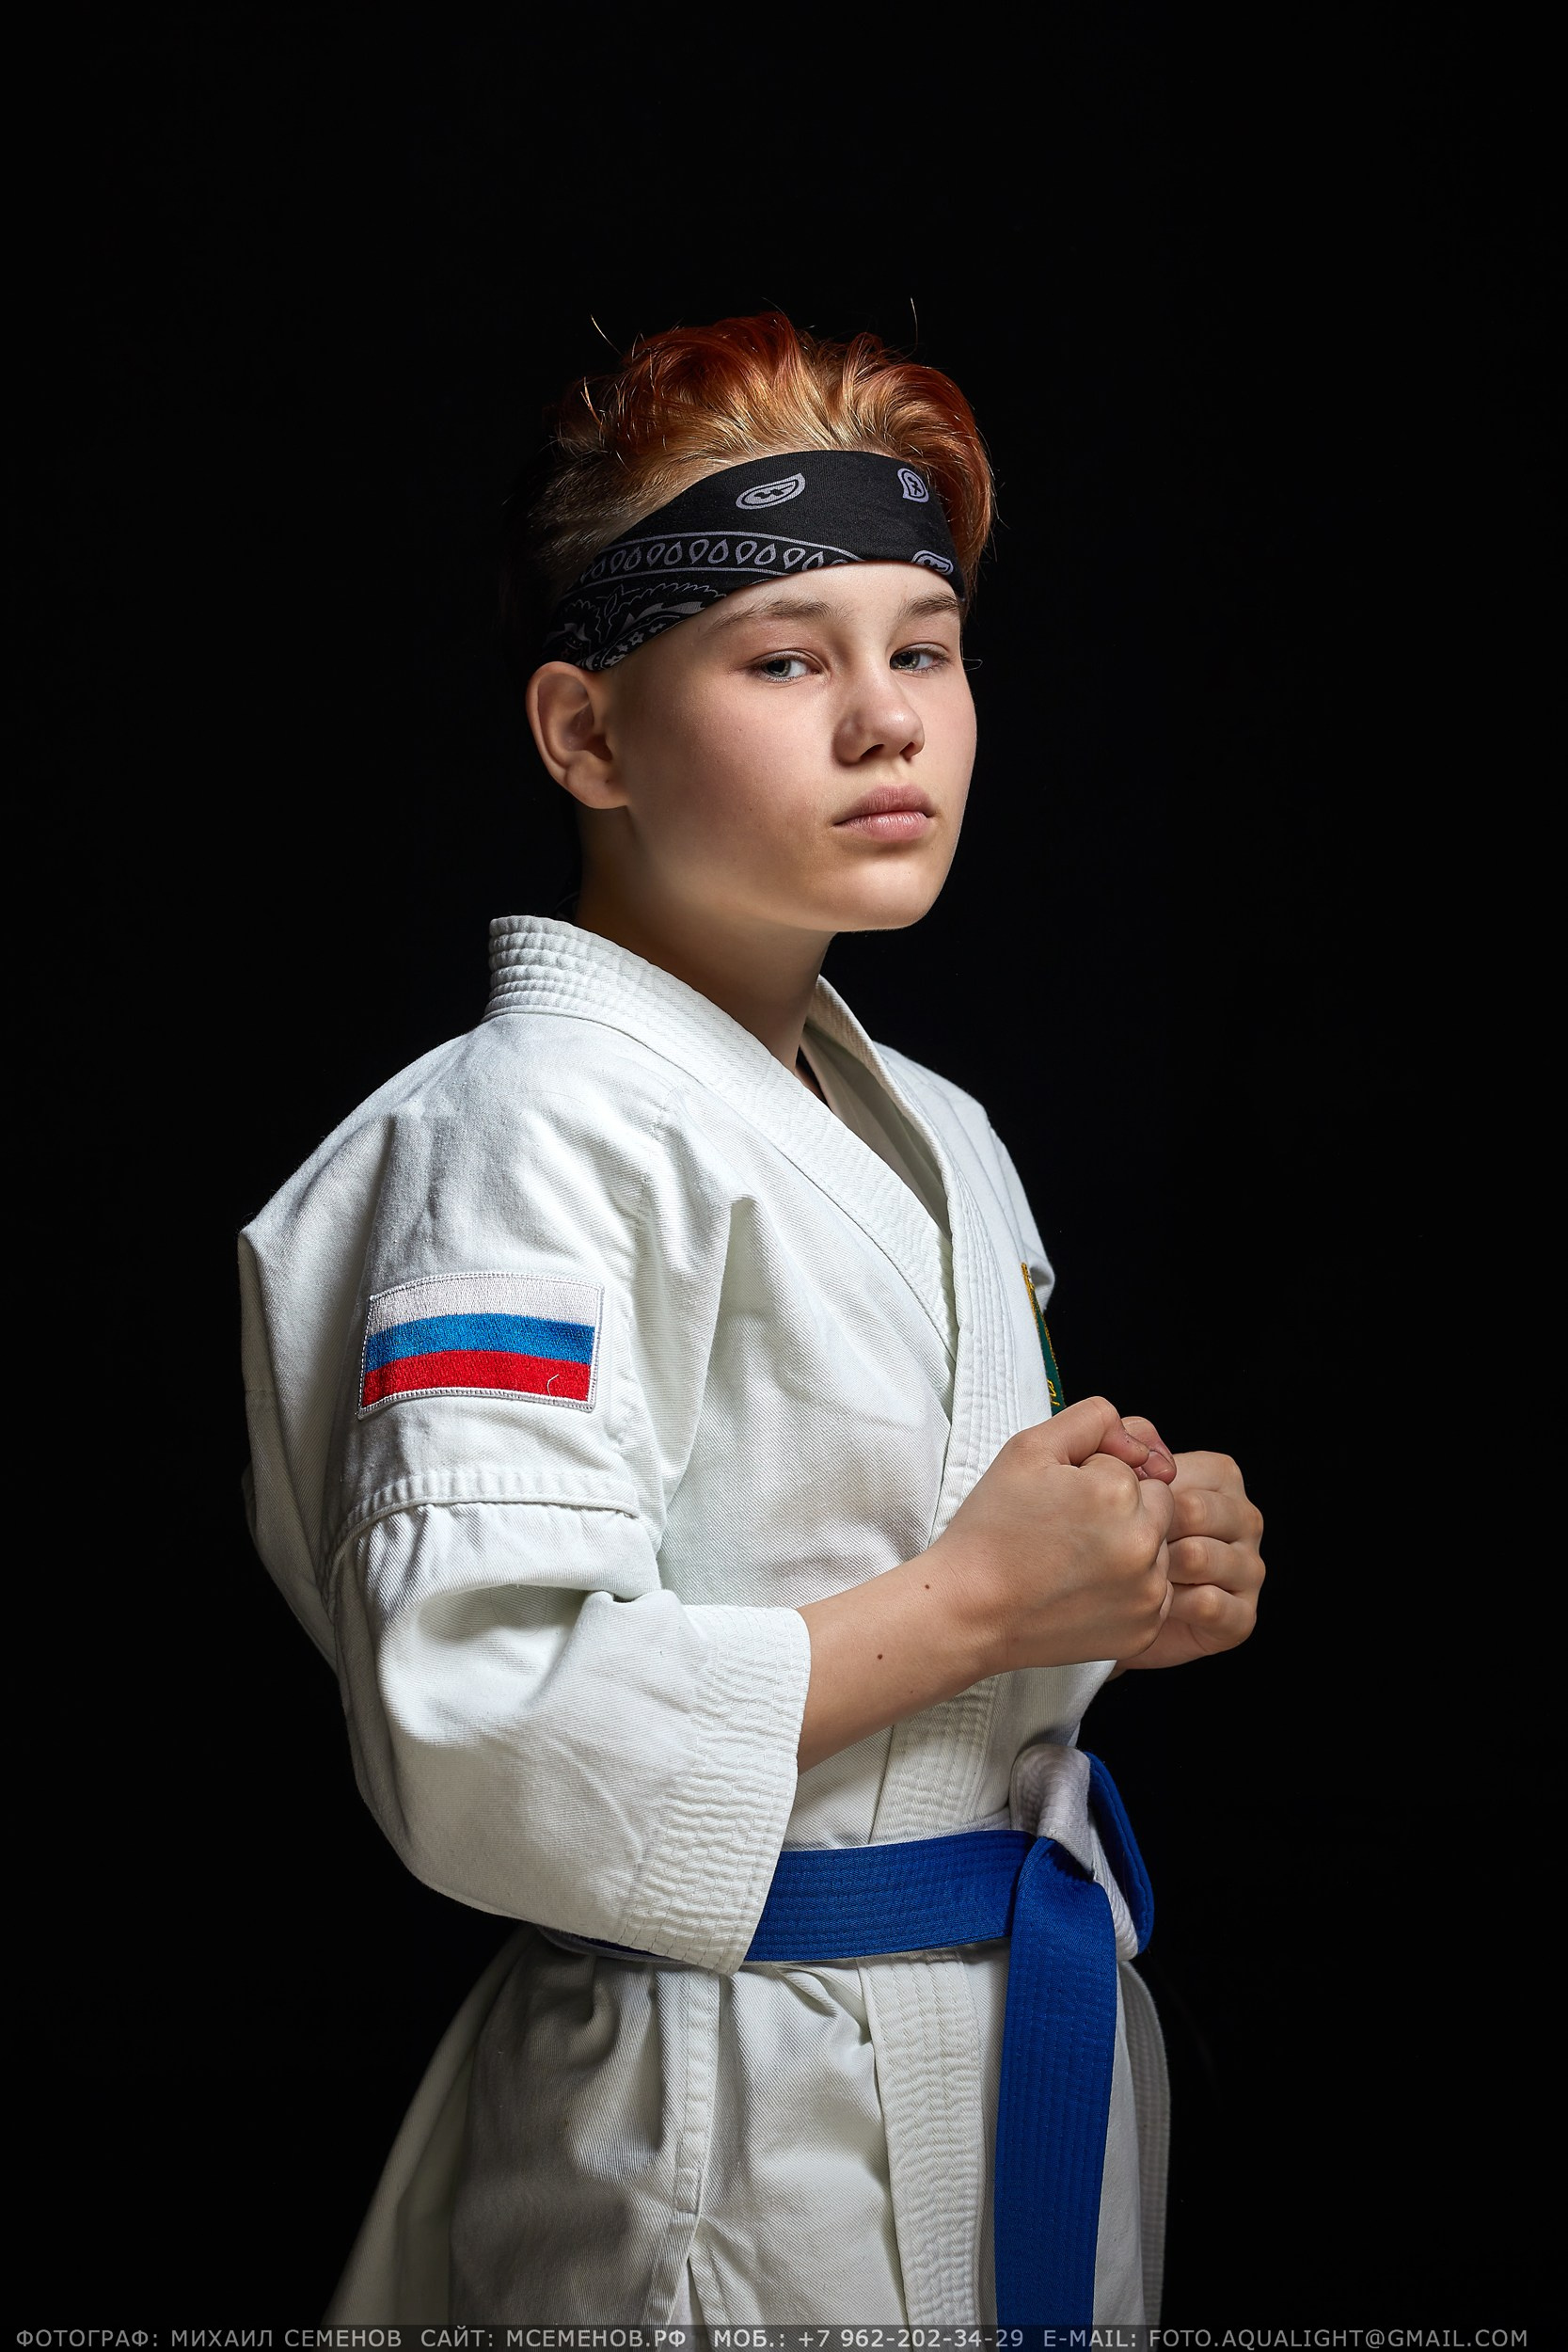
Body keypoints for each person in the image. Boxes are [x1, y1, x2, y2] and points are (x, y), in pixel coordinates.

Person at [238, 310, 1265, 2329]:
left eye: (926, 649)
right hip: (711, 2129)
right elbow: (485, 1715)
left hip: (1001, 2049)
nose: (888, 722)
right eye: (788, 659)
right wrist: (980, 1600)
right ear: (588, 736)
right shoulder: (528, 1130)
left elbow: (899, 1568)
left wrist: (1117, 1577)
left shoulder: (939, 1131)